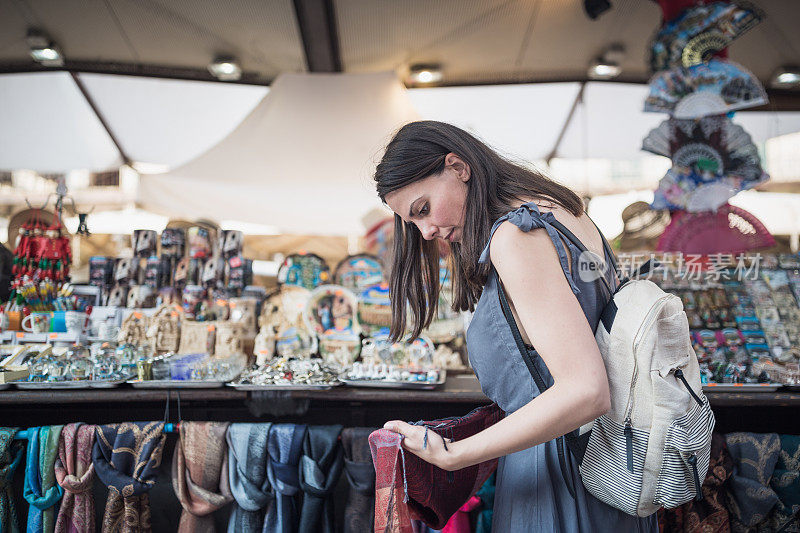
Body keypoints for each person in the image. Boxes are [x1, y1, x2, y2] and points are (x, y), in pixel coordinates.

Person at [375, 121, 657, 532]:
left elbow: (586, 390)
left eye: (423, 208)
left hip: (559, 478)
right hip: (605, 465)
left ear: (458, 167)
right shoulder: (561, 210)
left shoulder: (515, 236)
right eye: (412, 222)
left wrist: (455, 454)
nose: (426, 230)